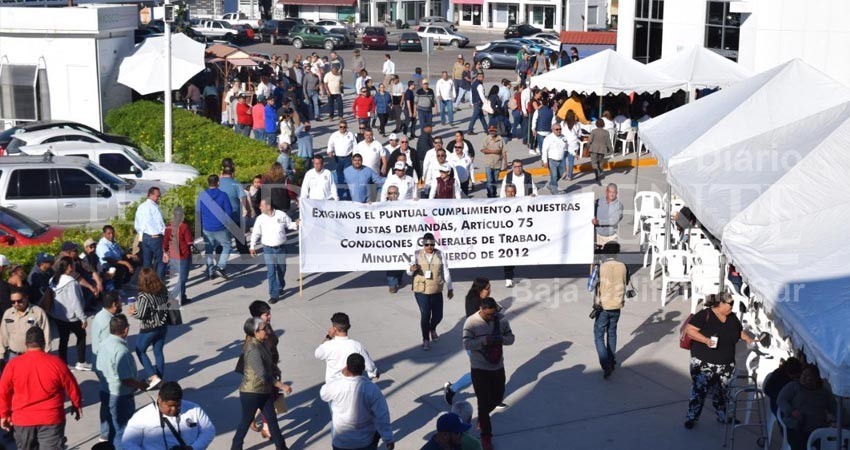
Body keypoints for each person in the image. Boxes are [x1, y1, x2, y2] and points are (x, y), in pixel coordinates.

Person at [0, 327, 82, 450]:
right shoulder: (57, 363)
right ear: (44, 343)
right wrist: (76, 404)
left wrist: (4, 414)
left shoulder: (13, 365)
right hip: (51, 420)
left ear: (25, 344)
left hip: (23, 421)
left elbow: (3, 391)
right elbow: (72, 387)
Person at [683, 292, 755, 429]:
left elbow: (739, 331)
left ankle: (723, 416)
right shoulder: (705, 315)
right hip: (704, 362)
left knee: (722, 392)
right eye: (730, 304)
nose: (732, 306)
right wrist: (705, 340)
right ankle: (691, 417)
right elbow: (690, 330)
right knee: (699, 391)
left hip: (726, 364)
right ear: (720, 303)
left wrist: (747, 338)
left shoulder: (732, 317)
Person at [462, 297, 515, 450]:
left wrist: (500, 340)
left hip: (497, 367)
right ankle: (486, 436)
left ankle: (482, 416)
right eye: (488, 315)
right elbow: (466, 343)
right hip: (479, 369)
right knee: (483, 400)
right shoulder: (471, 322)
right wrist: (484, 341)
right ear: (481, 309)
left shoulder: (501, 320)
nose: (491, 317)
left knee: (498, 397)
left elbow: (511, 339)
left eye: (493, 314)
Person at [232, 317, 291, 450]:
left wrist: (276, 369)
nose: (267, 331)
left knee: (272, 420)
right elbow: (262, 374)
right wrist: (281, 385)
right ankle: (235, 447)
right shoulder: (252, 350)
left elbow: (269, 364)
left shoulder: (262, 343)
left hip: (264, 391)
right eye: (264, 329)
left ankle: (282, 447)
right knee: (246, 422)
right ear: (255, 332)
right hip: (251, 393)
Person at [320, 353, 394, 450]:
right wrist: (388, 438)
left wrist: (340, 375)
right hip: (365, 442)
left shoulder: (336, 385)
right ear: (363, 368)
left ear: (347, 367)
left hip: (341, 442)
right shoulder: (372, 389)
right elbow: (382, 415)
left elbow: (323, 394)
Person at [97, 314, 149, 448]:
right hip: (120, 396)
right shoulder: (121, 350)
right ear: (125, 330)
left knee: (112, 429)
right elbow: (126, 378)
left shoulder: (103, 344)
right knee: (122, 431)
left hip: (105, 391)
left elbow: (97, 368)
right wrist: (140, 385)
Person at [122, 381, 216, 450]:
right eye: (169, 406)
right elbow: (128, 443)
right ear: (159, 400)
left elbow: (209, 430)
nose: (174, 409)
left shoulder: (194, 409)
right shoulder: (141, 417)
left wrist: (193, 448)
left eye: (178, 405)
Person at [443, 277, 491, 406]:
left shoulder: (482, 300)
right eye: (487, 288)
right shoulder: (473, 301)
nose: (489, 290)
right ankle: (452, 389)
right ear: (480, 289)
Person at [407, 233, 454, 351]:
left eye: (431, 244)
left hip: (436, 288)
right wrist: (411, 269)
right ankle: (426, 339)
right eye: (426, 244)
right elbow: (408, 271)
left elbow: (446, 271)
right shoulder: (417, 254)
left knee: (438, 315)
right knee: (425, 315)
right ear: (423, 244)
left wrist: (450, 287)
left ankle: (432, 328)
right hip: (421, 290)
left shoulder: (440, 254)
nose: (429, 247)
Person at [777, 364, 841, 450]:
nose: (803, 378)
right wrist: (791, 411)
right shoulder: (794, 386)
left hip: (817, 428)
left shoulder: (824, 393)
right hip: (795, 427)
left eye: (808, 376)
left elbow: (836, 409)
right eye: (803, 375)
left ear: (816, 379)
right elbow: (781, 399)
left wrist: (842, 420)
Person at [250, 199, 299, 304]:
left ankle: (280, 286)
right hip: (268, 249)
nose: (260, 208)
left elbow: (290, 225)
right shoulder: (260, 218)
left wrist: (297, 224)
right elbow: (255, 233)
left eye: (262, 206)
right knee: (271, 271)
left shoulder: (281, 215)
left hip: (281, 248)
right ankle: (273, 294)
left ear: (269, 206)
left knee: (281, 269)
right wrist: (252, 246)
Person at [45, 256, 89, 370]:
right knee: (81, 335)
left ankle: (63, 363)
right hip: (71, 317)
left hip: (58, 316)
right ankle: (81, 362)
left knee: (63, 339)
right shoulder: (71, 282)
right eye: (73, 264)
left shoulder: (53, 279)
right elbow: (75, 302)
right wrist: (83, 318)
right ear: (69, 267)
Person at [593, 242, 629, 379]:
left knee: (598, 335)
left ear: (605, 253)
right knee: (612, 333)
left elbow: (590, 286)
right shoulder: (623, 266)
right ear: (617, 252)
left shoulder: (600, 267)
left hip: (603, 306)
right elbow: (625, 282)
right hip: (617, 305)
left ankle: (605, 363)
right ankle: (612, 360)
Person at [129, 267, 169, 389]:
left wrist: (132, 312)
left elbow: (141, 314)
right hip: (162, 325)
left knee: (140, 351)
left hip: (148, 328)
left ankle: (152, 376)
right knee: (158, 352)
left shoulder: (144, 296)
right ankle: (160, 378)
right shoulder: (163, 289)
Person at [315, 312, 378, 383]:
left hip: (332, 387)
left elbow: (317, 354)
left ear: (334, 329)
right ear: (349, 326)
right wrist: (373, 374)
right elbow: (369, 366)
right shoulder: (357, 346)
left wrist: (329, 337)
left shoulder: (328, 346)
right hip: (351, 386)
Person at [197, 174, 233, 280]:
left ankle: (210, 271)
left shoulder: (202, 195)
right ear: (218, 182)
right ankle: (220, 266)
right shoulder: (223, 195)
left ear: (208, 183)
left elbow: (198, 212)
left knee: (209, 250)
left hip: (207, 227)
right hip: (221, 227)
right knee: (227, 246)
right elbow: (229, 212)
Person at [0, 288, 50, 362]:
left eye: (19, 301)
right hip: (13, 356)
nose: (16, 304)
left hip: (33, 356)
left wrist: (46, 353)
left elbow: (46, 333)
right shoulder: (8, 313)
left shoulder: (38, 312)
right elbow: (3, 335)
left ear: (26, 298)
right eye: (13, 302)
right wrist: (1, 354)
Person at [134, 186, 167, 279]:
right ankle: (159, 284)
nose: (159, 198)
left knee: (147, 263)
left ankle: (146, 284)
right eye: (158, 196)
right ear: (151, 195)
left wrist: (142, 234)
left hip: (145, 237)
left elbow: (137, 224)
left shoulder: (140, 207)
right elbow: (160, 225)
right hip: (155, 238)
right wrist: (167, 236)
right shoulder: (154, 208)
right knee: (161, 260)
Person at [163, 206, 193, 305]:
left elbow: (165, 242)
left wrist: (165, 252)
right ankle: (171, 297)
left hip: (173, 256)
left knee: (181, 278)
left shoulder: (169, 226)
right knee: (183, 278)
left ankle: (183, 297)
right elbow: (189, 242)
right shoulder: (184, 226)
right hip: (183, 255)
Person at [219, 165, 250, 256]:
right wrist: (244, 209)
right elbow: (242, 197)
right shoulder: (236, 183)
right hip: (234, 214)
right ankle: (245, 255)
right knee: (239, 236)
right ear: (232, 173)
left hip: (220, 215)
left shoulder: (217, 183)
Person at [328, 120, 357, 199]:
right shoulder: (334, 135)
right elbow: (330, 144)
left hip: (348, 157)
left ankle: (349, 193)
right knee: (339, 175)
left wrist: (354, 156)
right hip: (338, 158)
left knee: (348, 175)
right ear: (339, 127)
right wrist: (329, 151)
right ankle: (340, 192)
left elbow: (355, 145)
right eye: (341, 127)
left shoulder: (350, 135)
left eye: (344, 127)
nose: (342, 128)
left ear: (346, 127)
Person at [593, 183, 624, 249]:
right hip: (597, 235)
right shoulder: (598, 201)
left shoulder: (619, 205)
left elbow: (613, 221)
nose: (612, 194)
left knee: (610, 258)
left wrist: (598, 222)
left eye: (614, 192)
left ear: (617, 193)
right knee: (597, 257)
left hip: (611, 237)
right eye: (610, 192)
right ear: (606, 192)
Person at [541, 122, 568, 193]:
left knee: (561, 175)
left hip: (561, 161)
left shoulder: (563, 137)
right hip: (552, 160)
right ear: (553, 130)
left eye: (560, 129)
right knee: (554, 176)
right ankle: (554, 191)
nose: (559, 131)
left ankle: (551, 185)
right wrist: (545, 161)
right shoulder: (548, 138)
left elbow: (566, 147)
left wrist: (574, 153)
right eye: (557, 129)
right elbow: (544, 150)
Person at [480, 125, 507, 198]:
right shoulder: (486, 139)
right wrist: (494, 151)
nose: (492, 132)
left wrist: (505, 162)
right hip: (488, 163)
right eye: (491, 131)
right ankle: (490, 195)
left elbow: (504, 151)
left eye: (494, 130)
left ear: (496, 131)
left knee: (495, 181)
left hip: (498, 163)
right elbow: (483, 150)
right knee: (489, 180)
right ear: (489, 131)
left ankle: (494, 194)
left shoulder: (500, 139)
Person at [588, 119, 613, 183]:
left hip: (593, 149)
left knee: (594, 162)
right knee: (601, 162)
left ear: (596, 124)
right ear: (603, 124)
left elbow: (590, 140)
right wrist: (611, 150)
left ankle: (596, 172)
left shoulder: (593, 131)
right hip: (602, 149)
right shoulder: (606, 132)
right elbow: (608, 142)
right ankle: (600, 171)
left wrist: (587, 146)